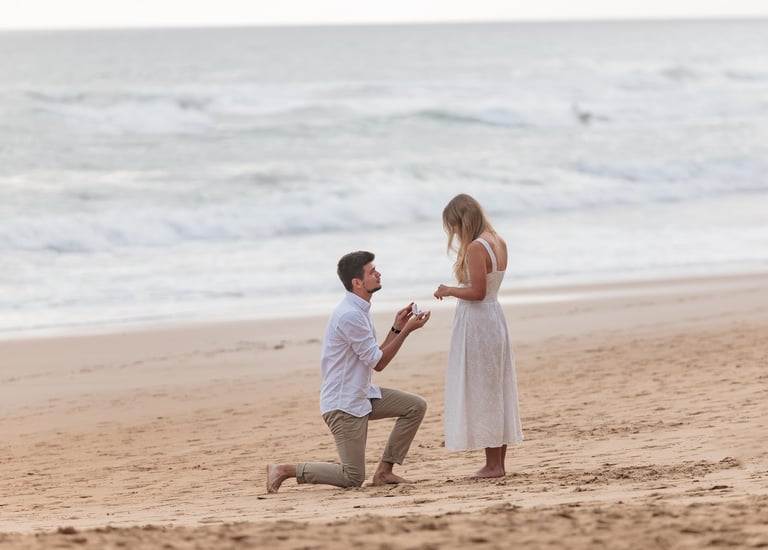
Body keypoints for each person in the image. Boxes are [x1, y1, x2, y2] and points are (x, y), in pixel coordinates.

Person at [267, 250, 431, 493]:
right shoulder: (350, 315)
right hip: (343, 404)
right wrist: (407, 330)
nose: (378, 273)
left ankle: (385, 472)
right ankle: (284, 469)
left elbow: (373, 355)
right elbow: (379, 363)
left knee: (414, 406)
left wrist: (396, 328)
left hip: (361, 394)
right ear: (357, 282)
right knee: (352, 477)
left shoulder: (359, 310)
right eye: (372, 271)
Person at [433, 193, 523, 478]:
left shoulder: (475, 247)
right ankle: (497, 463)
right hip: (493, 317)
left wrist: (449, 290)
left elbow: (478, 292)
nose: (455, 234)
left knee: (485, 390)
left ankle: (493, 465)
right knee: (496, 388)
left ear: (462, 220)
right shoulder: (499, 241)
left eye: (455, 227)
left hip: (479, 320)